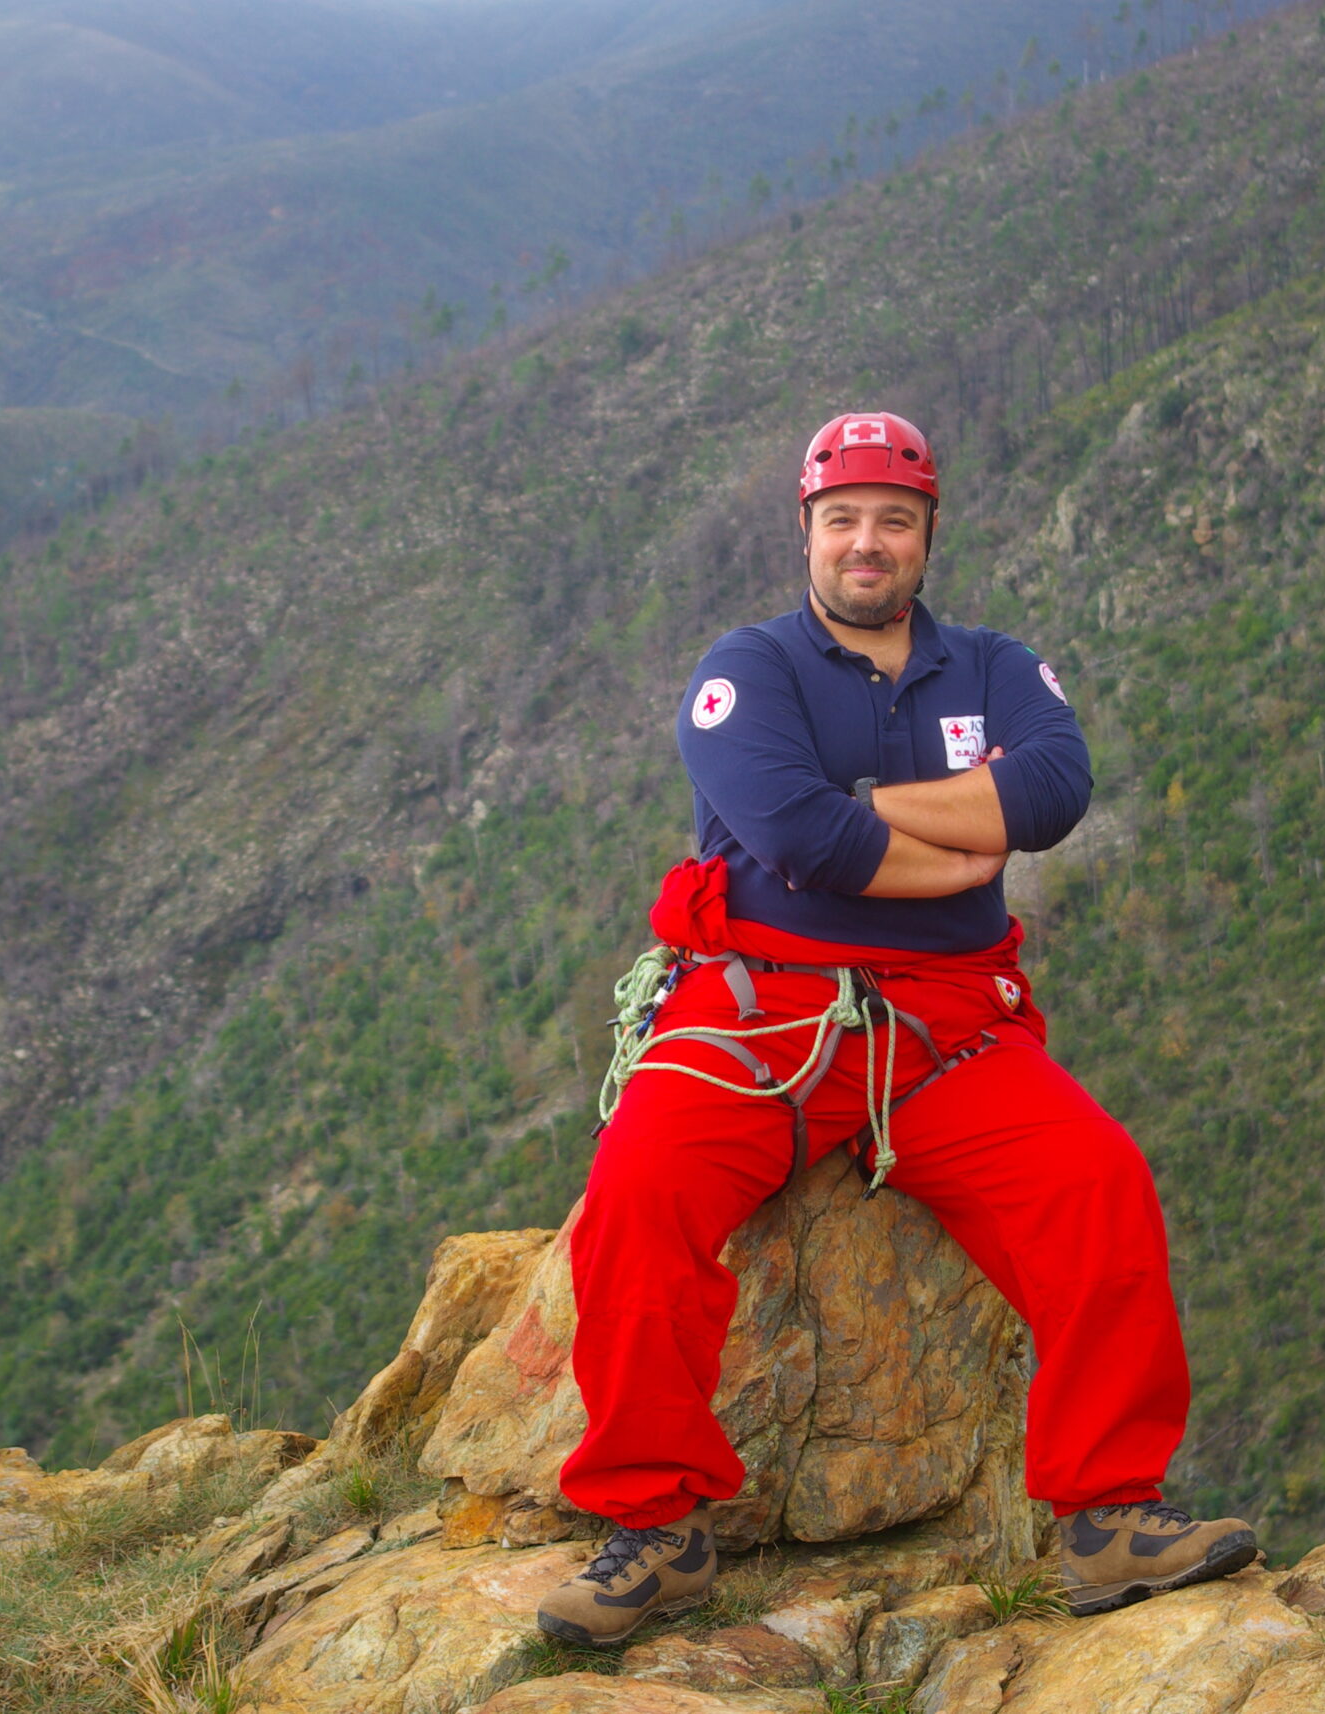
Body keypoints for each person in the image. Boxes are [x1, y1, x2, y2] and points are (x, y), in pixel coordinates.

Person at [535, 411, 1252, 1648]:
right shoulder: (745, 671)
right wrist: (955, 841)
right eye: (844, 521)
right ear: (806, 533)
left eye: (894, 522)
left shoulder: (994, 666)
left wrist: (872, 816)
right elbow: (805, 839)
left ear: (927, 537)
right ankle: (653, 1526)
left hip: (945, 1028)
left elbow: (1052, 794)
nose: (867, 544)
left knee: (1099, 1186)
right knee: (639, 1197)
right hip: (761, 1010)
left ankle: (1106, 1514)